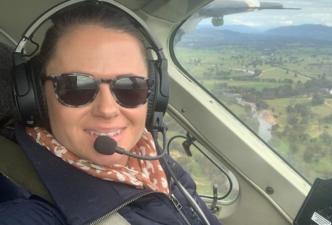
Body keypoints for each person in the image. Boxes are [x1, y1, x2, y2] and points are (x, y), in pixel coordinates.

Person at [0, 1, 222, 225]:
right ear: (35, 96)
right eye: (76, 88)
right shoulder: (31, 214)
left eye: (131, 87)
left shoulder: (154, 161)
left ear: (155, 96)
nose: (107, 110)